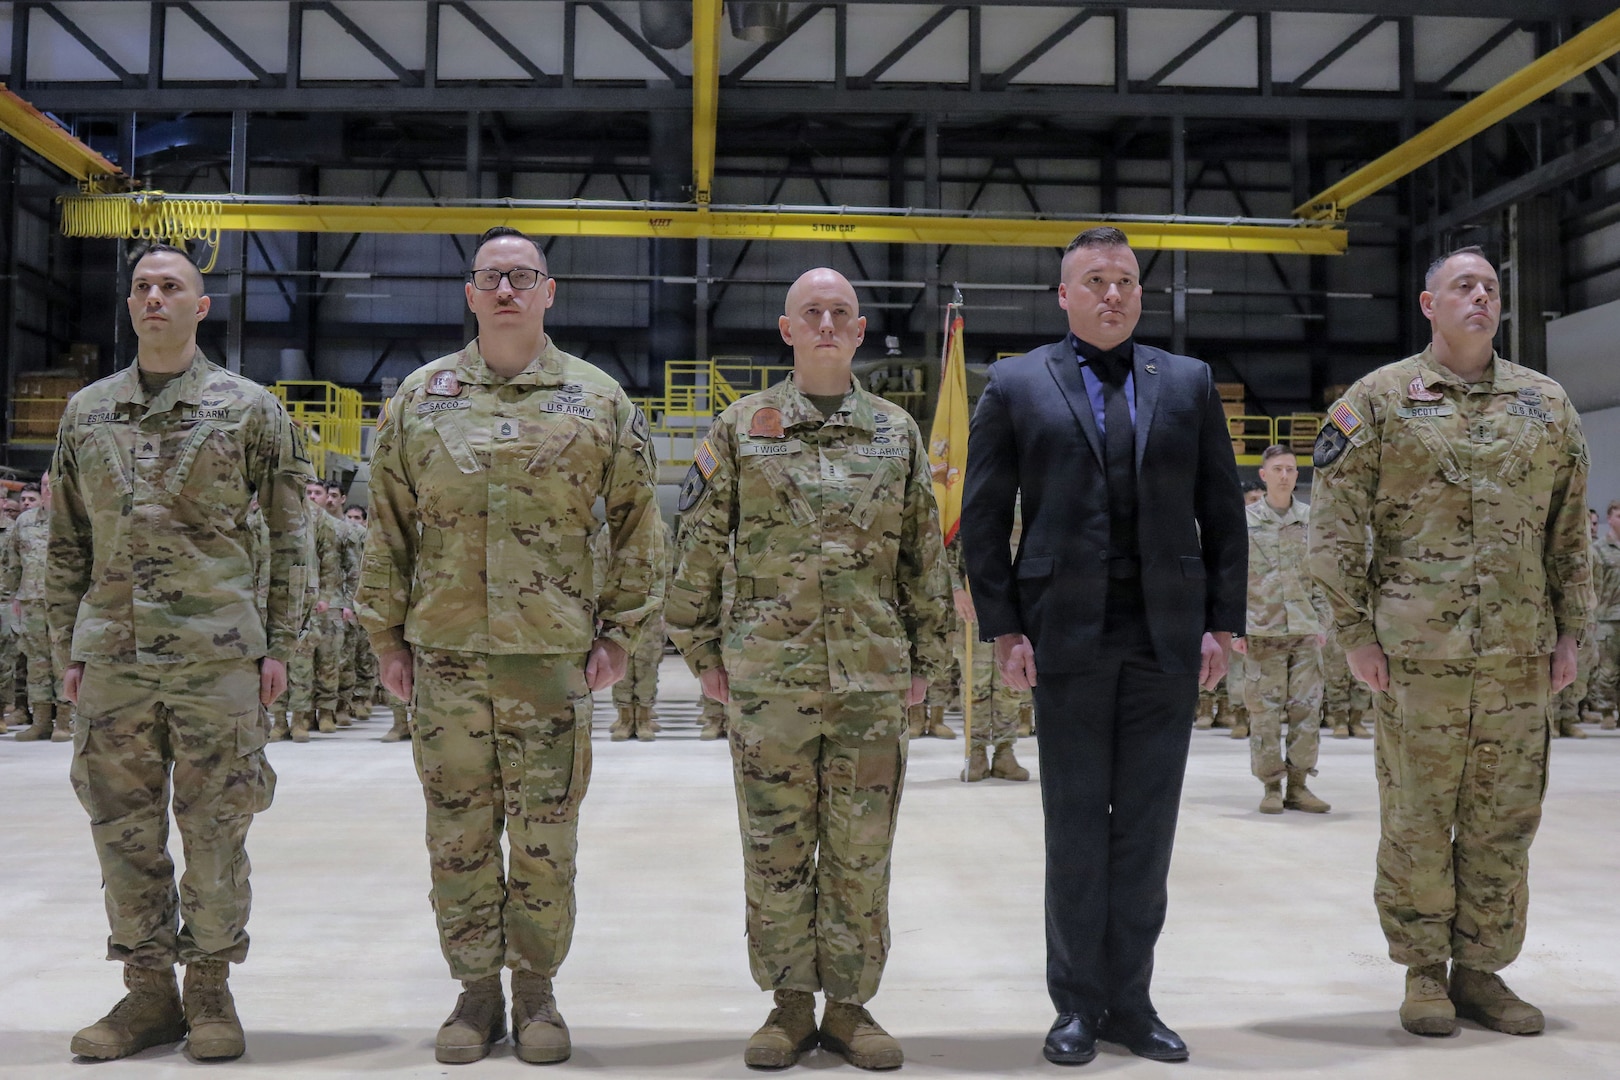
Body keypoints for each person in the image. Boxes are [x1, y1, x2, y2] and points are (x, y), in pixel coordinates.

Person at [357, 226, 664, 1065]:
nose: (506, 290)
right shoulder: (420, 399)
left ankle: (536, 992)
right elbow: (385, 524)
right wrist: (386, 634)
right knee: (456, 833)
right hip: (446, 657)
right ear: (469, 292)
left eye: (522, 277)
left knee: (545, 833)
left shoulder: (598, 400)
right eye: (491, 276)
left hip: (549, 660)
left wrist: (624, 633)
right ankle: (473, 992)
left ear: (548, 291)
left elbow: (640, 522)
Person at [961, 226, 1246, 1065]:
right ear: (1064, 295)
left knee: (1147, 832)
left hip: (1166, 637)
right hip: (1064, 638)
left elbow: (1223, 511)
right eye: (1095, 280)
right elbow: (983, 519)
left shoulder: (1188, 382)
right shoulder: (1015, 383)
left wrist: (1222, 622)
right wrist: (1004, 625)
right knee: (1076, 827)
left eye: (1124, 280)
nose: (1112, 293)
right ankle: (1077, 1004)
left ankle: (1134, 1001)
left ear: (1139, 294)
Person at [666, 267, 952, 1070]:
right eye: (810, 313)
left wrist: (928, 659)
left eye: (840, 313)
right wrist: (699, 650)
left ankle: (853, 1007)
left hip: (870, 678)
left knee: (862, 848)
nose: (826, 323)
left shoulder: (895, 432)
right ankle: (789, 1004)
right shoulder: (740, 428)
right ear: (787, 331)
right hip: (769, 681)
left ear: (860, 332)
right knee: (775, 848)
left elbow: (923, 557)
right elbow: (696, 546)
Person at [1309, 245, 1591, 1038]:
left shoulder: (1546, 405)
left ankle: (1484, 970)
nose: (1481, 297)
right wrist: (1357, 634)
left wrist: (1573, 633)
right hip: (1417, 661)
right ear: (1427, 303)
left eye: (1491, 287)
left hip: (1518, 658)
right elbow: (1330, 531)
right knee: (1419, 816)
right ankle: (1423, 972)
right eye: (1462, 286)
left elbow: (1568, 533)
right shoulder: (1380, 402)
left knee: (1506, 819)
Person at [46, 242, 310, 1061]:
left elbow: (291, 536)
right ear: (129, 306)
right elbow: (65, 545)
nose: (155, 297)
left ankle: (211, 991)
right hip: (113, 658)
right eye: (142, 287)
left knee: (216, 829)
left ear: (201, 307)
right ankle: (148, 995)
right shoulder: (86, 412)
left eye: (172, 287)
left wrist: (280, 647)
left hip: (218, 655)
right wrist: (68, 649)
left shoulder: (250, 409)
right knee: (121, 831)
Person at [1233, 446, 1331, 814]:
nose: (1285, 475)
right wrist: (1235, 627)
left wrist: (1323, 623)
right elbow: (1233, 577)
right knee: (1264, 712)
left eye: (1290, 469)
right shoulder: (1244, 521)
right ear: (1264, 475)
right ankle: (1271, 785)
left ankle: (1300, 785)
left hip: (1305, 631)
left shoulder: (1311, 520)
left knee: (1307, 710)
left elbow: (1323, 575)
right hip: (1261, 629)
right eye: (1277, 469)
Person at [2, 479, 70, 741]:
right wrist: (12, 597)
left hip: (62, 603)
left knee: (62, 660)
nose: (47, 489)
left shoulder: (74, 520)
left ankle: (64, 720)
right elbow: (12, 561)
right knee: (36, 663)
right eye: (43, 485)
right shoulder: (25, 522)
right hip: (30, 602)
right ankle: (41, 721)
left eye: (52, 484)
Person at [1590, 501, 1620, 730]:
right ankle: (1607, 710)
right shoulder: (1598, 549)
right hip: (1607, 617)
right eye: (1618, 516)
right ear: (1609, 519)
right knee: (1607, 669)